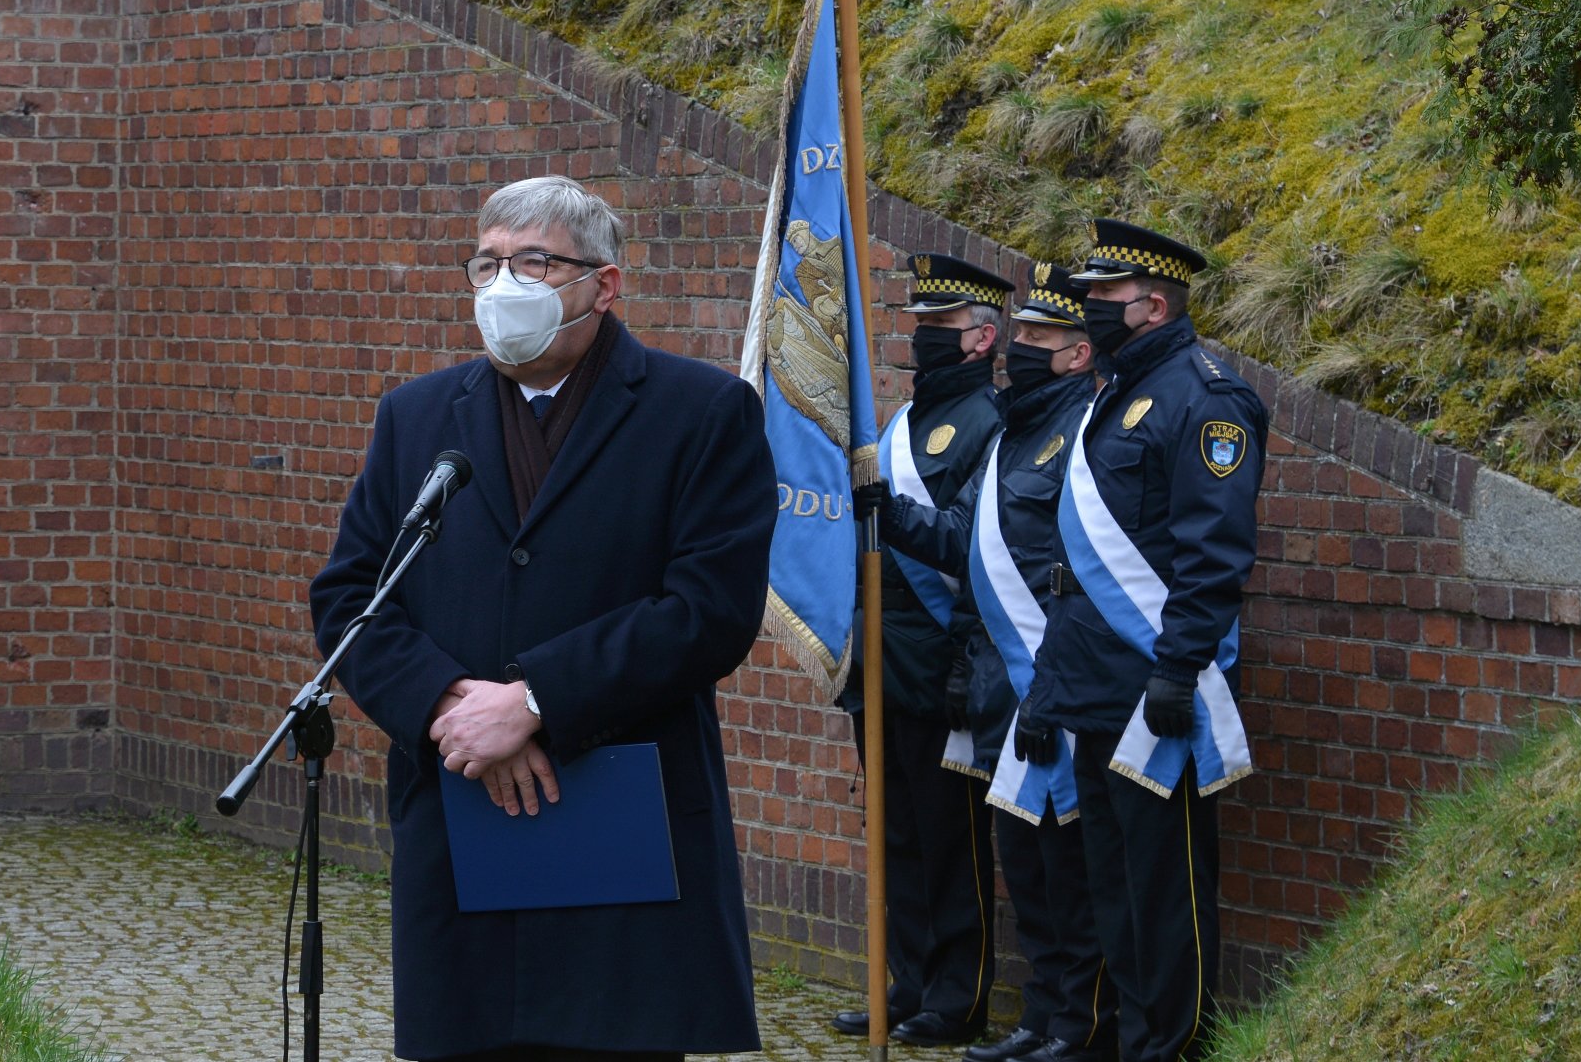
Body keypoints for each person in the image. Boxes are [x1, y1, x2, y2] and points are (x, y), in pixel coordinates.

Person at [309, 175, 776, 1062]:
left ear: (603, 285)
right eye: (485, 264)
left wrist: (533, 701)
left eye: (534, 261)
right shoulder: (416, 417)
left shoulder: (701, 412)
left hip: (620, 810)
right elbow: (351, 595)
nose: (504, 285)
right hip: (459, 799)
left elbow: (711, 611)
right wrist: (450, 704)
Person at [1011, 220, 1267, 1062]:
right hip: (1089, 678)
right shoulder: (1110, 397)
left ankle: (1173, 1046)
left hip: (1153, 688)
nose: (1088, 310)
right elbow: (1070, 566)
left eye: (1103, 297)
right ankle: (1128, 1043)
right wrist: (1050, 684)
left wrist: (1178, 668)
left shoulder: (1207, 401)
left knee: (1164, 895)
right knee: (1111, 892)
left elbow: (1212, 554)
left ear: (1153, 305)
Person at [866, 262, 1117, 1062]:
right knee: (1029, 864)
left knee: (1070, 865)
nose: (1021, 347)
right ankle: (1044, 1018)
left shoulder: (1081, 432)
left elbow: (1081, 568)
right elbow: (968, 546)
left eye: (1040, 336)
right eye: (1022, 334)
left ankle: (1079, 1024)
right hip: (1000, 683)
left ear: (1080, 353)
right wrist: (891, 516)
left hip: (1057, 676)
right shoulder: (1016, 430)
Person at [831, 253, 1010, 1049]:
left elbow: (978, 550)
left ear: (981, 338)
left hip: (940, 659)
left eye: (938, 326)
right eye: (920, 324)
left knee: (951, 842)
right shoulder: (902, 424)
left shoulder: (990, 424)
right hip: (880, 654)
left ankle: (957, 993)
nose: (921, 337)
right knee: (896, 833)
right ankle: (903, 984)